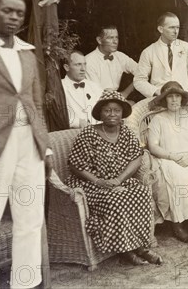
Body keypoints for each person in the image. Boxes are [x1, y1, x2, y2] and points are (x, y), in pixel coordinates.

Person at [0, 0, 49, 288]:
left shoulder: (27, 54)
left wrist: (44, 145)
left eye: (19, 13)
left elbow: (34, 101)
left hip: (28, 144)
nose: (15, 17)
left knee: (30, 220)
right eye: (7, 11)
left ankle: (25, 283)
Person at [66, 91, 162, 266]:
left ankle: (140, 247)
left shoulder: (126, 132)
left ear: (122, 113)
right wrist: (99, 182)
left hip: (120, 180)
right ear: (100, 113)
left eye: (116, 110)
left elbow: (137, 157)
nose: (112, 114)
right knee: (117, 199)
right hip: (92, 183)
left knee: (140, 192)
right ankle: (126, 251)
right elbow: (75, 164)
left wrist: (119, 180)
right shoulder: (88, 133)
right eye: (107, 110)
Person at [147, 81, 188, 243]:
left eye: (177, 96)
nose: (173, 100)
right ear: (164, 100)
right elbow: (153, 146)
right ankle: (177, 224)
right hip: (167, 158)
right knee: (178, 177)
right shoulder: (158, 119)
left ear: (182, 99)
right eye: (170, 97)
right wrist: (172, 156)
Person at [134, 12, 188, 99]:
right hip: (160, 100)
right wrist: (157, 92)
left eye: (177, 27)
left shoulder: (186, 47)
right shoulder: (149, 51)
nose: (176, 31)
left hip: (184, 99)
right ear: (160, 29)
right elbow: (139, 81)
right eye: (171, 27)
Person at [85, 25, 138, 99]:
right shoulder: (89, 61)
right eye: (110, 38)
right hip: (98, 101)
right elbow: (98, 93)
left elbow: (142, 72)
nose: (115, 41)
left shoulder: (119, 56)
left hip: (117, 98)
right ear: (99, 40)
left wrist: (125, 93)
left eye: (116, 37)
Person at [62, 50, 104, 128]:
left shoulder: (95, 86)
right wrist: (76, 122)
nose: (83, 69)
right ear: (66, 67)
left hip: (99, 132)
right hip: (72, 134)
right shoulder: (60, 88)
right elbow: (56, 115)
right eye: (78, 65)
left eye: (85, 64)